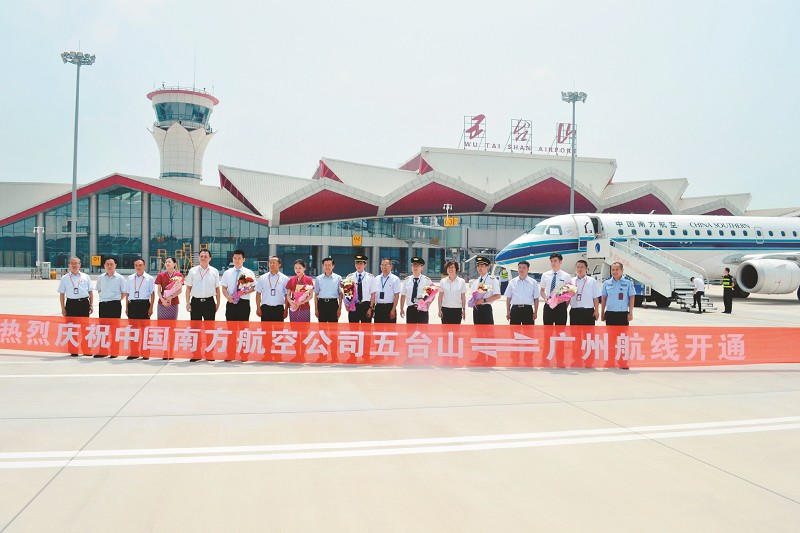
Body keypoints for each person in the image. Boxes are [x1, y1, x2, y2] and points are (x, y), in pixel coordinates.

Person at [184, 250, 221, 361]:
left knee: (210, 329)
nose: (203, 258)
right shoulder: (193, 271)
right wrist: (187, 302)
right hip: (195, 302)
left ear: (210, 258)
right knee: (195, 330)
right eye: (201, 256)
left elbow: (217, 289)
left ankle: (209, 353)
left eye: (205, 256)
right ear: (198, 258)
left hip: (209, 302)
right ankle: (196, 353)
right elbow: (188, 288)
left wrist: (218, 303)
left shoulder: (214, 271)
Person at [601, 262, 636, 369]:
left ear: (622, 270)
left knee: (623, 340)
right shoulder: (607, 283)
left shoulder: (628, 282)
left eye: (617, 269)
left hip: (622, 315)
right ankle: (610, 361)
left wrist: (630, 312)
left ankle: (623, 362)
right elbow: (604, 298)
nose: (614, 272)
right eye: (613, 269)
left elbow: (631, 297)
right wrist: (602, 312)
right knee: (610, 340)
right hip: (610, 314)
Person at [57, 256, 93, 357]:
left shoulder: (86, 277)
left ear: (80, 265)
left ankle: (86, 350)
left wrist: (91, 304)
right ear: (68, 265)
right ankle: (73, 350)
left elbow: (90, 292)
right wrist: (63, 308)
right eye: (72, 263)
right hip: (71, 304)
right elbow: (62, 294)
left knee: (85, 328)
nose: (74, 265)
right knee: (71, 328)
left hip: (84, 303)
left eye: (76, 263)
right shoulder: (64, 278)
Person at [123, 258, 156, 360]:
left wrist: (151, 308)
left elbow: (152, 294)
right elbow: (127, 294)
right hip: (132, 305)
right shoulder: (130, 278)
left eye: (140, 265)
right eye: (136, 265)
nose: (138, 267)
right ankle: (134, 352)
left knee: (145, 330)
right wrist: (127, 307)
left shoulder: (149, 278)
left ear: (144, 266)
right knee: (133, 330)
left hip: (144, 305)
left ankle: (145, 352)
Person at [221, 249, 256, 322]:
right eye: (235, 258)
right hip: (231, 302)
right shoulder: (227, 273)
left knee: (243, 327)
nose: (237, 260)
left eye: (239, 258)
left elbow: (254, 287)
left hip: (244, 303)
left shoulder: (249, 272)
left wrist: (245, 292)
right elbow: (224, 288)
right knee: (230, 326)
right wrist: (227, 297)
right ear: (232, 259)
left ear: (243, 259)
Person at [540, 253, 572, 325]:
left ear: (560, 262)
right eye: (551, 261)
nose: (553, 263)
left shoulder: (566, 276)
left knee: (560, 330)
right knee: (547, 329)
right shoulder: (545, 275)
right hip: (548, 305)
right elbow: (542, 291)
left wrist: (562, 300)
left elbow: (570, 292)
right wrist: (545, 298)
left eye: (555, 261)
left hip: (560, 305)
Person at [255, 255, 289, 322]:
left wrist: (286, 310)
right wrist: (258, 308)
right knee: (265, 328)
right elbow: (258, 293)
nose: (272, 264)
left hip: (279, 309)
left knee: (278, 328)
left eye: (274, 262)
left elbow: (287, 295)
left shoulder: (285, 279)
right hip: (265, 308)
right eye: (270, 262)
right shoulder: (262, 278)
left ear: (279, 265)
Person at [504, 260, 539, 325]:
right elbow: (508, 298)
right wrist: (508, 311)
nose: (521, 269)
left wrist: (535, 312)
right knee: (514, 330)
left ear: (528, 269)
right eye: (519, 267)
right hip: (515, 310)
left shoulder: (533, 282)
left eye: (524, 268)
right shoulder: (512, 282)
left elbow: (536, 298)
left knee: (528, 330)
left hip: (527, 310)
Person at [400, 257, 433, 324]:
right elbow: (403, 295)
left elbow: (432, 295)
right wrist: (401, 308)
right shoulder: (406, 280)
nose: (415, 268)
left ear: (422, 267)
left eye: (417, 266)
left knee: (423, 329)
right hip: (411, 309)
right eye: (413, 265)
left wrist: (428, 304)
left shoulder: (427, 280)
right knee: (410, 329)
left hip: (422, 309)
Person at [470, 256, 501, 325]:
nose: (479, 268)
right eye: (478, 266)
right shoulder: (475, 281)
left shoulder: (492, 280)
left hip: (486, 308)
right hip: (476, 309)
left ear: (487, 267)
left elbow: (498, 295)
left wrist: (484, 300)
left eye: (482, 266)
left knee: (488, 331)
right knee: (477, 330)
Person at [569, 260, 601, 325]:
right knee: (574, 331)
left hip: (588, 312)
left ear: (586, 268)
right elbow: (567, 297)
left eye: (582, 267)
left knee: (589, 331)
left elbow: (595, 298)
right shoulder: (571, 281)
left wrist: (596, 311)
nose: (579, 269)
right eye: (578, 267)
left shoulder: (592, 281)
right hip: (575, 311)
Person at [368, 258, 401, 323]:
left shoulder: (395, 279)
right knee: (378, 328)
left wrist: (393, 309)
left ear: (391, 266)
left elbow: (396, 295)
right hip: (378, 307)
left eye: (386, 265)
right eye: (382, 265)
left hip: (389, 307)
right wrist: (372, 308)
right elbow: (373, 294)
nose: (384, 267)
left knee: (390, 328)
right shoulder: (376, 278)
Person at [346, 255, 373, 323]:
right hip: (354, 305)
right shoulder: (350, 277)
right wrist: (347, 305)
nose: (359, 265)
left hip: (366, 305)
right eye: (357, 263)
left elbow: (373, 294)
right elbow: (347, 293)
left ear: (365, 264)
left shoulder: (370, 277)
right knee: (353, 327)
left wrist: (371, 308)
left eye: (361, 263)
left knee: (366, 328)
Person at [314, 257, 343, 322]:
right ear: (323, 266)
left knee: (333, 326)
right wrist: (316, 309)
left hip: (333, 304)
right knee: (321, 326)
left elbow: (340, 294)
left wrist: (339, 308)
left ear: (333, 266)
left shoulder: (338, 278)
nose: (327, 267)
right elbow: (316, 294)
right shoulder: (318, 278)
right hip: (321, 304)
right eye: (325, 265)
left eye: (329, 265)